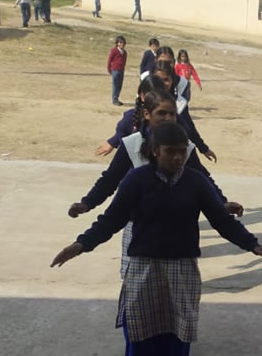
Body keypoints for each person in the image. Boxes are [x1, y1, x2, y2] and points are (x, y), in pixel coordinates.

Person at [52, 122, 262, 356]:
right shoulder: (136, 180)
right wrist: (80, 245)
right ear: (154, 151)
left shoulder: (196, 182)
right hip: (143, 270)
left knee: (176, 345)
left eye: (182, 152)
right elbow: (111, 220)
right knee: (140, 343)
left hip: (182, 271)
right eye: (170, 152)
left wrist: (252, 244)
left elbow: (222, 221)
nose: (177, 158)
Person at [71, 82, 238, 277]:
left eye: (172, 114)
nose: (168, 118)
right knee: (135, 283)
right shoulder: (131, 144)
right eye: (162, 113)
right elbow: (110, 180)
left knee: (177, 289)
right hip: (139, 229)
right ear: (147, 114)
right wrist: (87, 203)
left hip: (178, 231)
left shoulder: (185, 147)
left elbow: (202, 178)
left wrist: (221, 202)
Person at [106, 36, 128, 107]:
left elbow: (124, 62)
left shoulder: (124, 52)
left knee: (119, 85)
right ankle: (114, 99)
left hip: (121, 70)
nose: (122, 44)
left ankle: (117, 98)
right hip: (115, 70)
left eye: (123, 43)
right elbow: (109, 60)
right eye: (120, 43)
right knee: (115, 85)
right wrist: (109, 69)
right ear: (117, 43)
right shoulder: (114, 50)